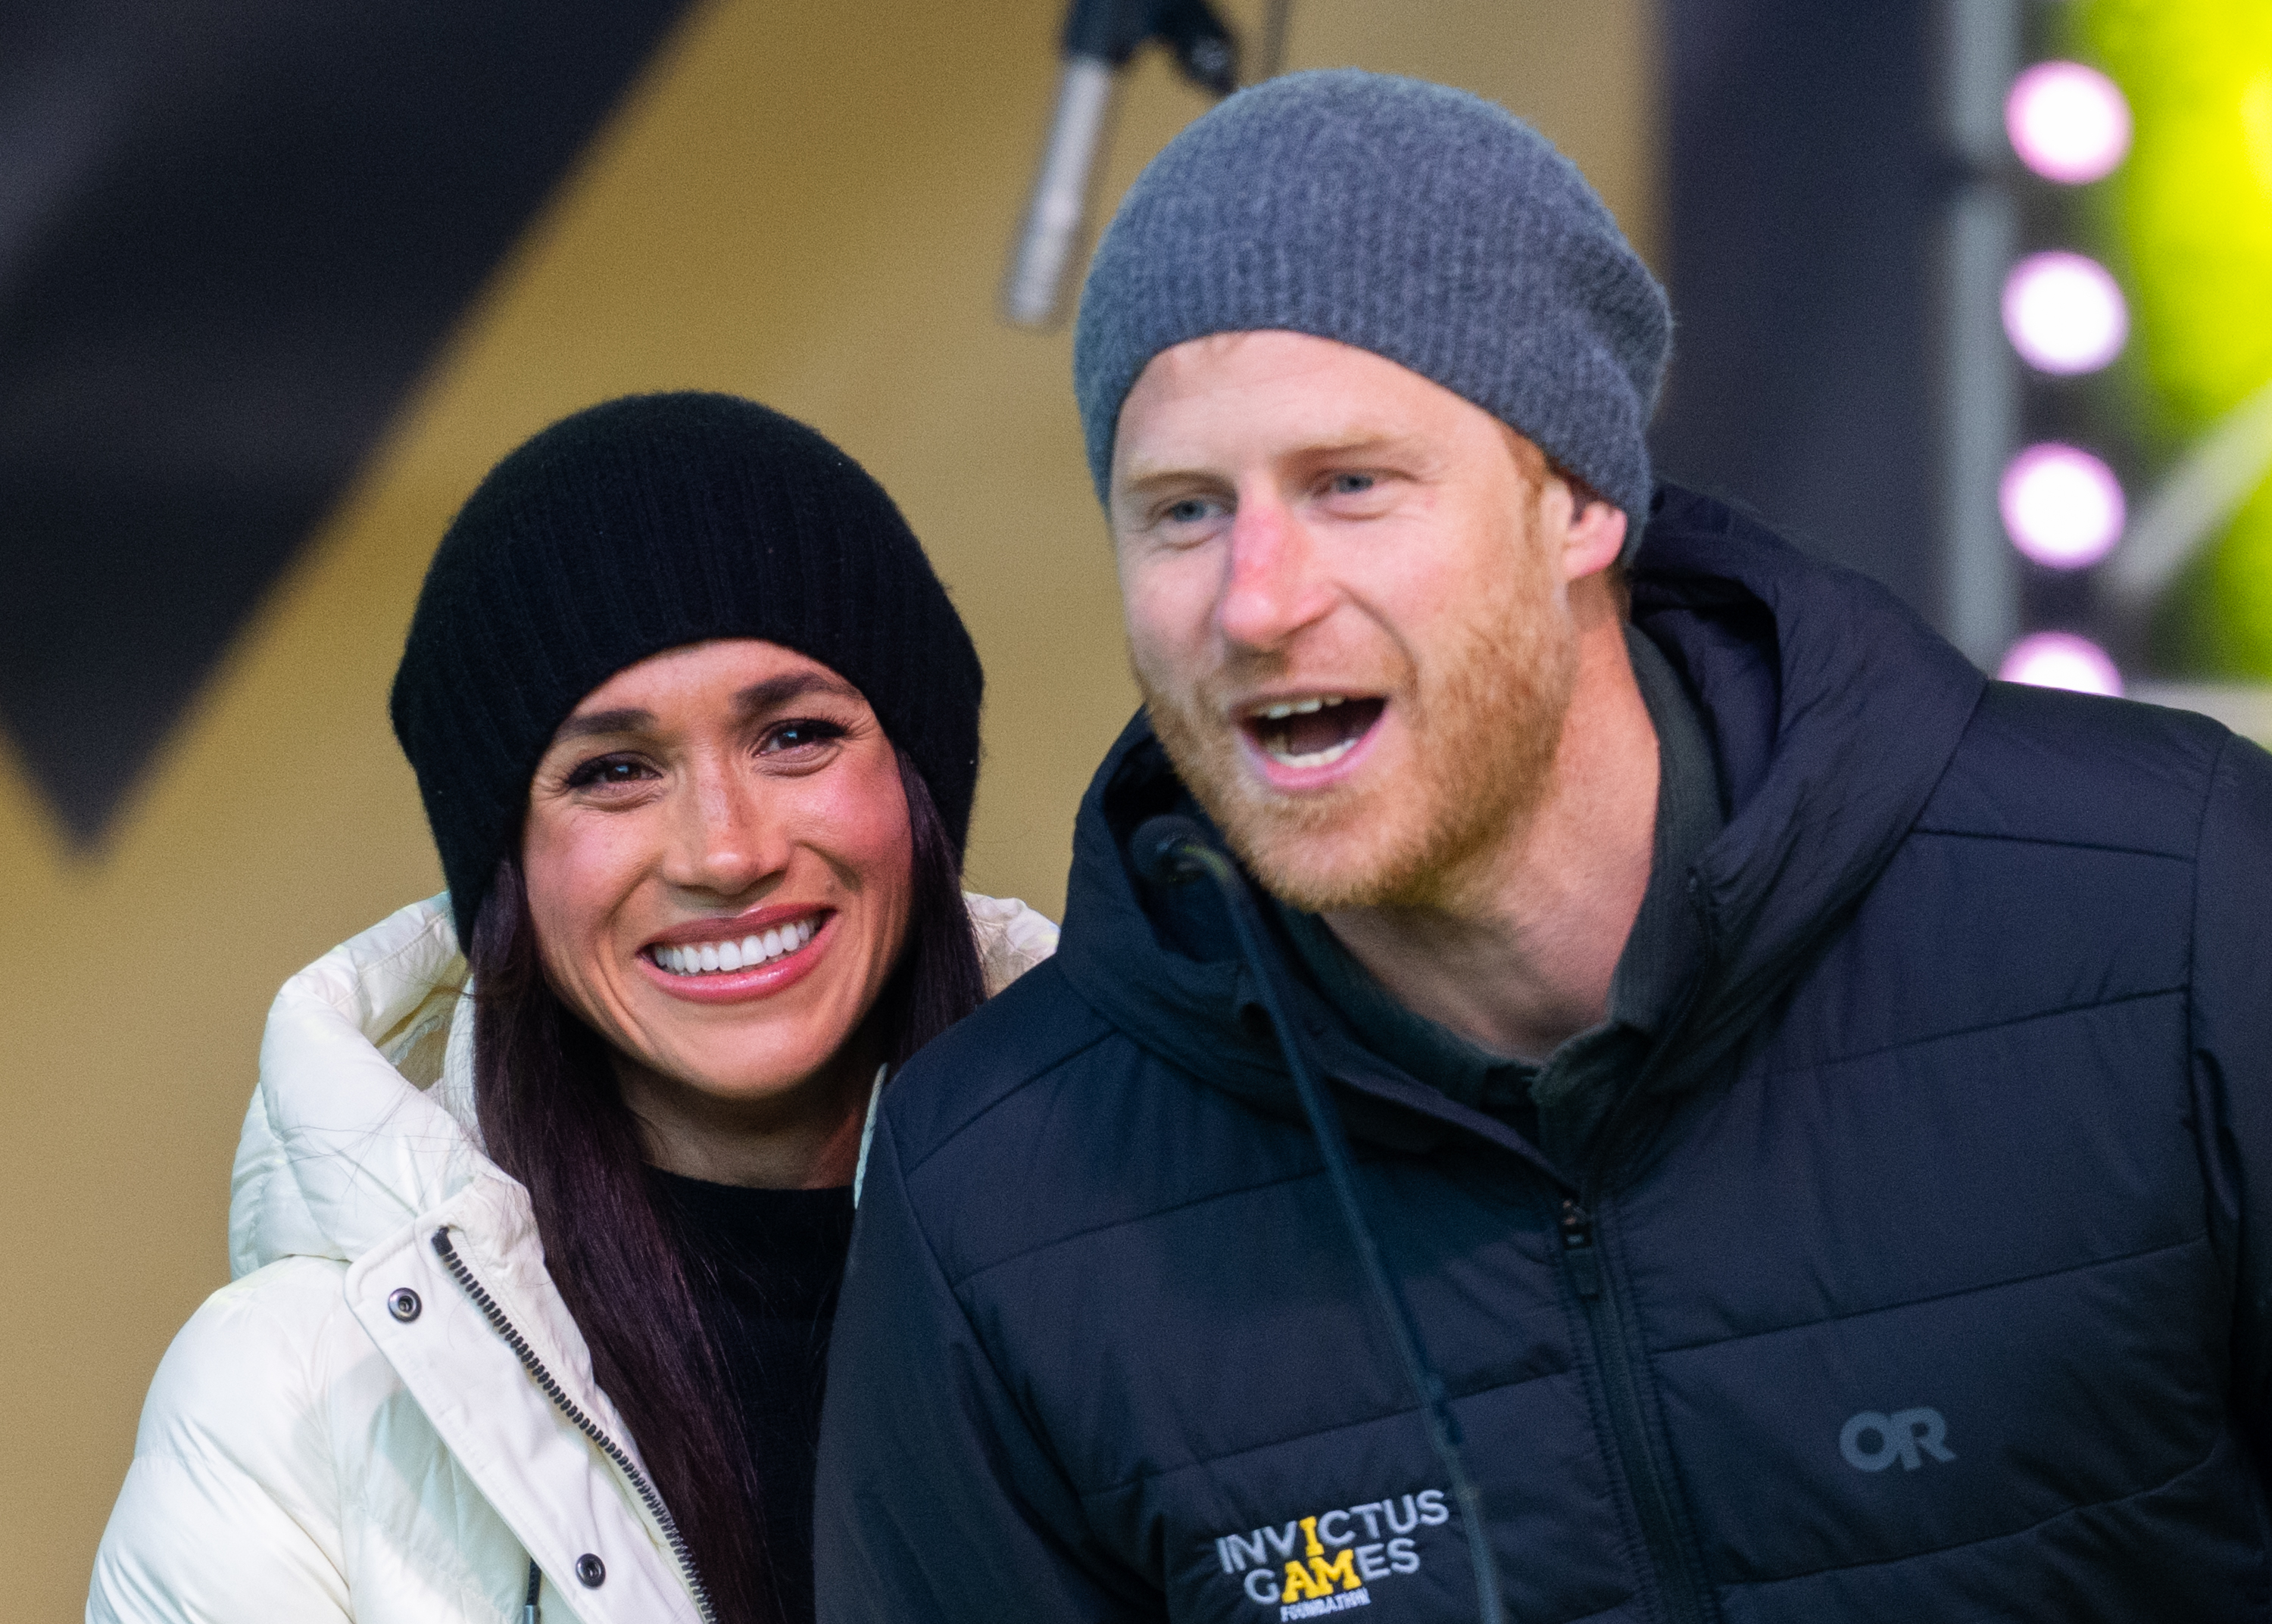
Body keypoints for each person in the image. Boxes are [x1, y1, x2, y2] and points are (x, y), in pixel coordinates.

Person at [813, 70, 2272, 1622]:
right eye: (1180, 509)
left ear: (1581, 501)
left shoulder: (2168, 897)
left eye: (1349, 484)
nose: (1254, 599)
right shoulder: (1001, 1191)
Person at [87, 392, 1056, 1624]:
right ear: (508, 874)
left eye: (796, 735)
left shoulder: (1186, 1243)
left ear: (919, 793)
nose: (724, 847)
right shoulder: (288, 1399)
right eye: (614, 770)